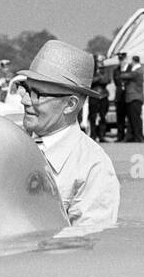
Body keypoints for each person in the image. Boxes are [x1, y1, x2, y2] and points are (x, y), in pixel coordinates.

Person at [16, 40, 120, 231]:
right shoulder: (11, 147)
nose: (24, 100)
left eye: (37, 94)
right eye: (25, 88)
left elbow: (88, 244)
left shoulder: (92, 167)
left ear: (70, 105)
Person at [121, 55, 144, 142]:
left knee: (135, 119)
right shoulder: (137, 71)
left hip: (135, 98)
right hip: (132, 98)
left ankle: (139, 136)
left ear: (133, 62)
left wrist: (125, 66)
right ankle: (131, 136)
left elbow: (123, 76)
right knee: (131, 119)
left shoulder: (137, 72)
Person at [88, 57, 111, 142]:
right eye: (98, 62)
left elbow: (107, 80)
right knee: (92, 117)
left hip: (103, 96)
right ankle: (93, 135)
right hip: (93, 95)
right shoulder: (91, 71)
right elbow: (90, 81)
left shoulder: (105, 71)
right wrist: (98, 78)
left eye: (101, 62)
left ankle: (101, 135)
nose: (100, 63)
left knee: (103, 116)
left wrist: (98, 78)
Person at [112, 53, 128, 141]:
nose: (122, 62)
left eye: (123, 60)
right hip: (119, 96)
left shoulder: (130, 69)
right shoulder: (116, 70)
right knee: (120, 117)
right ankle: (120, 136)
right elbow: (116, 81)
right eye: (120, 60)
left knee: (129, 116)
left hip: (128, 95)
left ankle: (129, 135)